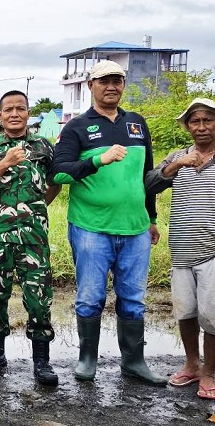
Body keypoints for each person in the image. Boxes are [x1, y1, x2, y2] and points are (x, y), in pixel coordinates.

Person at [50, 60, 165, 385]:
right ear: (91, 85)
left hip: (136, 229)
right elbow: (58, 172)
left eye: (117, 81)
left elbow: (147, 177)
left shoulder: (137, 124)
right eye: (104, 81)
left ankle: (134, 361)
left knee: (133, 298)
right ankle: (87, 359)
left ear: (123, 85)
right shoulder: (77, 127)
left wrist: (152, 217)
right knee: (90, 296)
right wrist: (97, 159)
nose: (111, 86)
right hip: (91, 227)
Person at [145, 98, 215, 399]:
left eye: (208, 120)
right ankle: (192, 364)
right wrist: (178, 165)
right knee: (186, 312)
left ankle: (209, 373)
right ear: (187, 126)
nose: (201, 127)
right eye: (195, 121)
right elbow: (149, 185)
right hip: (182, 251)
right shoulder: (178, 157)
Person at [0, 90, 61, 385]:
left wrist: (34, 209)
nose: (14, 114)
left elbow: (54, 183)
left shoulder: (44, 147)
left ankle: (42, 360)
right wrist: (5, 162)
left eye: (20, 108)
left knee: (38, 299)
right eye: (8, 109)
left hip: (34, 238)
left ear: (28, 112)